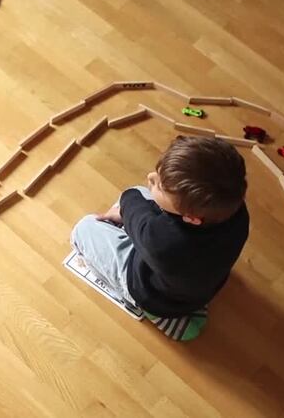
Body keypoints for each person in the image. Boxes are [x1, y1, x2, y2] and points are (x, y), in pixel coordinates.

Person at [71, 136, 249, 341]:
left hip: (152, 293)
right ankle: (183, 309)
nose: (150, 177)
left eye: (160, 185)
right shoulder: (237, 213)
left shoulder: (161, 241)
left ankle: (157, 314)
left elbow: (131, 200)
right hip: (200, 285)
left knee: (85, 227)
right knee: (142, 193)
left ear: (191, 218)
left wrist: (125, 209)